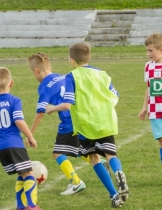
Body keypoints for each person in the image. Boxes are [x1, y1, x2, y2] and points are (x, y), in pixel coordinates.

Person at [46, 42, 129, 208]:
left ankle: (114, 196)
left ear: (71, 60)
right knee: (111, 155)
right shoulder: (102, 74)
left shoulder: (71, 77)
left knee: (94, 158)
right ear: (88, 57)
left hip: (85, 124)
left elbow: (68, 103)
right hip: (105, 121)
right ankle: (118, 172)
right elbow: (115, 95)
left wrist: (51, 108)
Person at [27, 52, 110, 196]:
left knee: (58, 153)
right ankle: (101, 163)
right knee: (79, 149)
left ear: (36, 71)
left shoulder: (44, 87)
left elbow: (40, 112)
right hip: (83, 118)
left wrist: (30, 133)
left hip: (68, 122)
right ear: (50, 67)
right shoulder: (63, 76)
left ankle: (76, 182)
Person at [0, 66, 50, 210]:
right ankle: (31, 206)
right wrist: (30, 136)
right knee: (29, 174)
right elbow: (18, 120)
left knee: (21, 173)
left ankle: (20, 208)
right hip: (14, 144)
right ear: (11, 83)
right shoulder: (14, 101)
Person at [139, 32, 162, 162]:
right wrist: (144, 107)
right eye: (147, 50)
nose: (148, 54)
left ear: (161, 49)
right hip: (155, 111)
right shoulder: (148, 66)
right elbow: (149, 88)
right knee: (161, 141)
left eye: (150, 50)